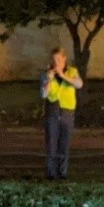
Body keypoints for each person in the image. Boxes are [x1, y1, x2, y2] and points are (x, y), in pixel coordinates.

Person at [41, 48, 84, 179]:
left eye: (59, 60)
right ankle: (51, 174)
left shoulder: (72, 72)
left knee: (64, 144)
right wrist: (48, 80)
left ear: (64, 59)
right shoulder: (47, 74)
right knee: (51, 143)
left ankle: (63, 173)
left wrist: (63, 75)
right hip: (53, 111)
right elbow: (43, 94)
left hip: (67, 112)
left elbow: (79, 84)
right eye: (54, 60)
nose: (56, 63)